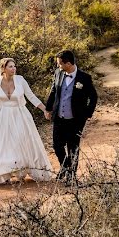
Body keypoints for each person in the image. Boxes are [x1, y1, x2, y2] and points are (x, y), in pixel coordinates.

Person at [0, 58, 54, 188]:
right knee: (0, 145)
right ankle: (3, 173)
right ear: (3, 69)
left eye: (14, 66)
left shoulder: (20, 80)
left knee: (20, 143)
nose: (14, 69)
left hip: (20, 116)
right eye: (11, 67)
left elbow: (31, 96)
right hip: (0, 117)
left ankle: (20, 170)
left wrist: (45, 110)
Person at [44, 50, 98, 185]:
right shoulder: (58, 73)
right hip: (59, 117)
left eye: (59, 64)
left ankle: (71, 175)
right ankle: (65, 167)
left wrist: (87, 114)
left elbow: (93, 97)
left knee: (73, 147)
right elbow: (53, 91)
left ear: (68, 63)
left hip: (76, 119)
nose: (58, 67)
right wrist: (48, 108)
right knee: (57, 145)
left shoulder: (84, 78)